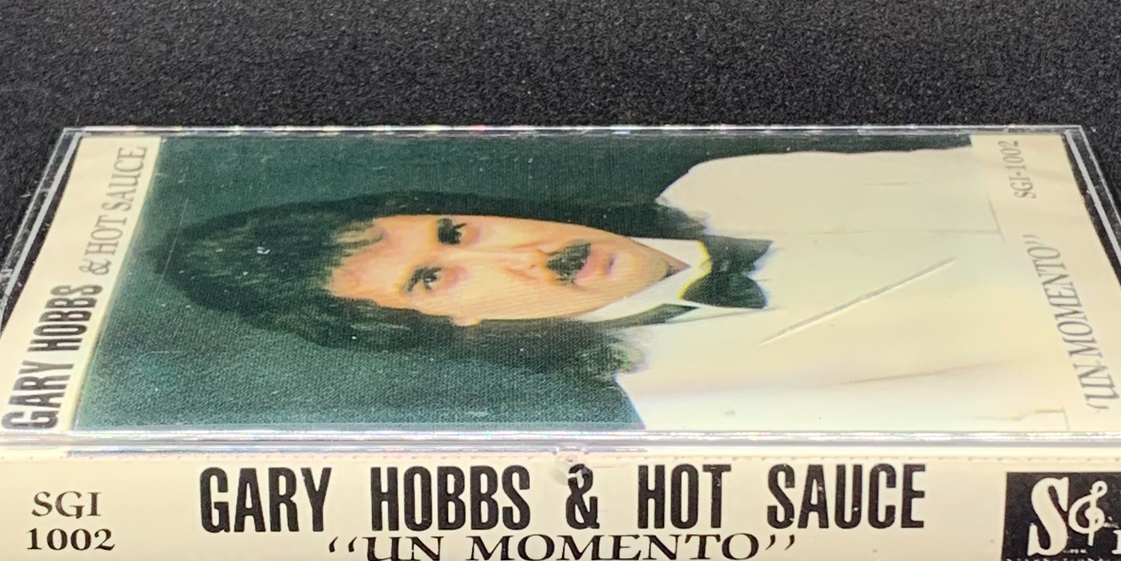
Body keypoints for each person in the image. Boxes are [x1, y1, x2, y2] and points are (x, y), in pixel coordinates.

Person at [160, 145, 1068, 431]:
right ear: (451, 320)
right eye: (434, 277)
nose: (525, 256)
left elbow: (1030, 193)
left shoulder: (729, 180)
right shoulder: (692, 408)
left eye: (455, 232)